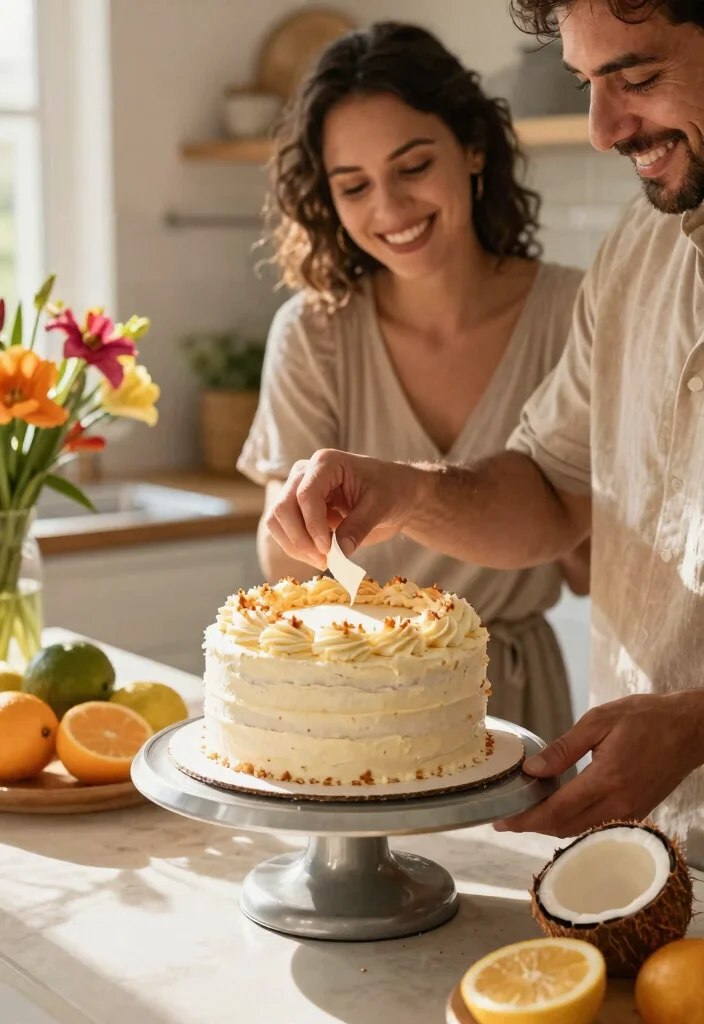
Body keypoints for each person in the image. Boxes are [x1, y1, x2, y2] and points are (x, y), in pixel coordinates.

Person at [266, 0, 704, 870]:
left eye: (640, 76)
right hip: (651, 848)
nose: (601, 127)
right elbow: (548, 492)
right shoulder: (635, 258)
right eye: (587, 84)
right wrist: (414, 491)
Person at [238, 22, 590, 744]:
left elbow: (594, 565)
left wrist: (567, 515)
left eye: (413, 165)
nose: (389, 209)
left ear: (473, 148)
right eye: (354, 185)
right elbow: (284, 565)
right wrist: (298, 513)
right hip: (358, 693)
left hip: (516, 700)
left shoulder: (580, 312)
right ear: (325, 200)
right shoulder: (313, 333)